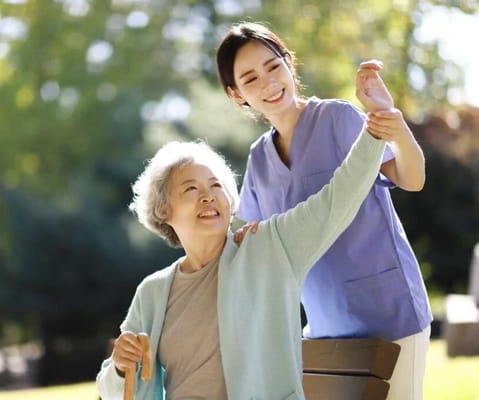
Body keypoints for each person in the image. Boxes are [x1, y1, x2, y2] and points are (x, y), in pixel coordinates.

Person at [96, 63, 390, 399]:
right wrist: (119, 365)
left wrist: (377, 125)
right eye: (191, 189)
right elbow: (113, 389)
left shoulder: (270, 248)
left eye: (216, 185)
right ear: (164, 211)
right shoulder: (153, 292)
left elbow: (338, 199)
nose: (208, 196)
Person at [216, 21, 432, 400]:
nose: (268, 83)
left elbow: (411, 180)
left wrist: (396, 128)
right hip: (324, 329)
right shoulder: (259, 160)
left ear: (289, 63)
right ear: (236, 94)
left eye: (273, 66)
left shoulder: (338, 118)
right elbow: (260, 250)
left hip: (388, 311)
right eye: (250, 79)